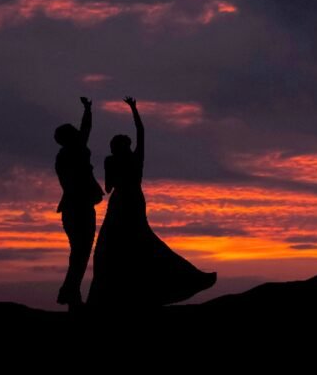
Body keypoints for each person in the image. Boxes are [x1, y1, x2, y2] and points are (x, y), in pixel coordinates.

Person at [88, 97, 216, 308]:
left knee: (115, 246)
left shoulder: (114, 160)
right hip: (130, 201)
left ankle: (110, 296)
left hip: (123, 202)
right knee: (132, 243)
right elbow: (141, 133)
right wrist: (134, 110)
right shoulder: (132, 158)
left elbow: (108, 187)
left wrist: (134, 110)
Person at [54, 97, 104, 311]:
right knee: (80, 253)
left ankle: (71, 295)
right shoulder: (69, 155)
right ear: (69, 138)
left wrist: (88, 109)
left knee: (80, 253)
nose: (79, 134)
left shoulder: (70, 152)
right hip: (78, 208)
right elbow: (85, 130)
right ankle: (70, 295)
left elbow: (85, 129)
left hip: (79, 207)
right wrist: (88, 110)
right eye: (74, 133)